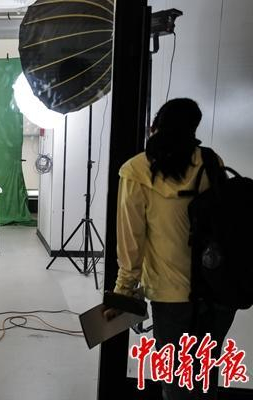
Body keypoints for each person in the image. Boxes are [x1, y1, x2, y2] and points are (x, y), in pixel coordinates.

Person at [105, 98, 237, 400]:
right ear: (193, 129)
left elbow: (131, 240)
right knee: (204, 376)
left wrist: (123, 291)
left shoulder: (137, 170)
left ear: (155, 126)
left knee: (176, 380)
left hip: (171, 296)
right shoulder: (210, 161)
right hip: (216, 292)